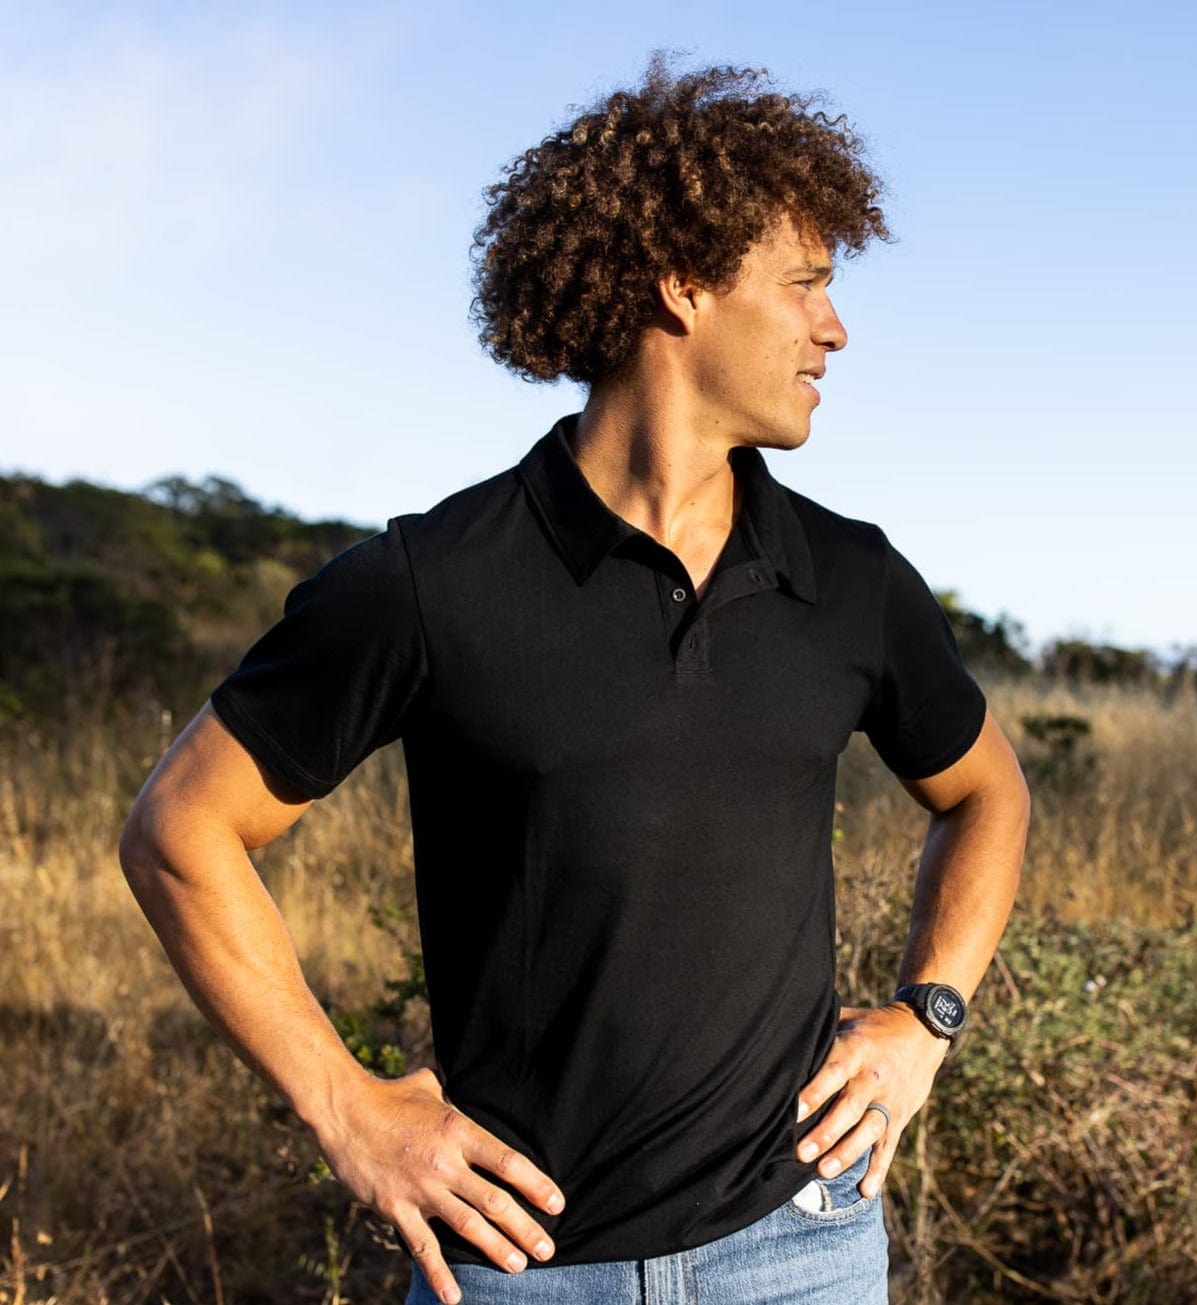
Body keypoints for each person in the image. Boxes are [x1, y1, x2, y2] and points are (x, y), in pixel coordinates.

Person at [120, 60, 1029, 1305]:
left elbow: (989, 796)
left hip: (800, 1249)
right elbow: (181, 828)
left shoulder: (851, 581)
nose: (836, 329)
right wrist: (347, 1106)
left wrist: (926, 1021)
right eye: (808, 286)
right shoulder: (427, 582)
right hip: (522, 1271)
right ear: (683, 282)